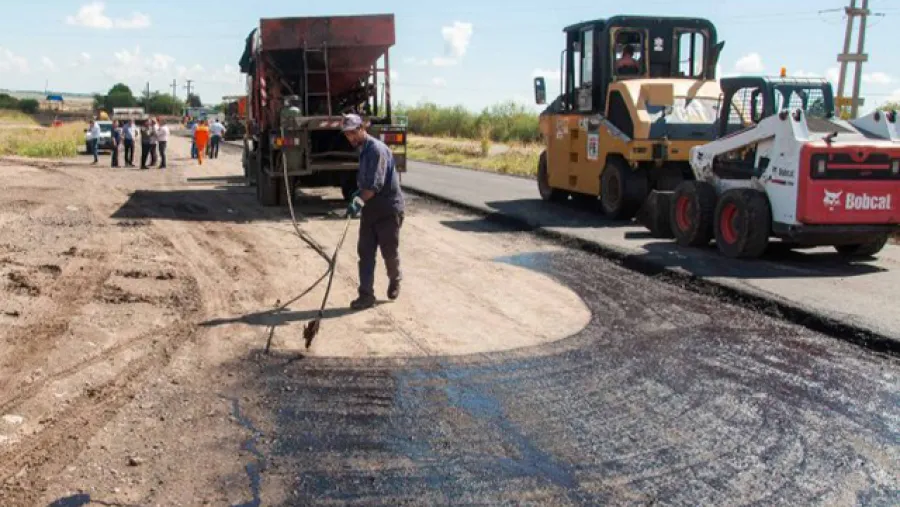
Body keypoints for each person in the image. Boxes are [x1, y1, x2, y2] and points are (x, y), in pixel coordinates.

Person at [341, 113, 405, 310]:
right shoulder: (364, 149)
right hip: (371, 210)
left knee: (389, 252)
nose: (350, 137)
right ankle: (366, 295)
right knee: (365, 253)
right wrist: (356, 194)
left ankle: (395, 278)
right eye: (347, 134)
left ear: (362, 128)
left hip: (388, 210)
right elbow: (366, 183)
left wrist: (357, 201)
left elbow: (374, 186)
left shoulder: (376, 150)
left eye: (353, 132)